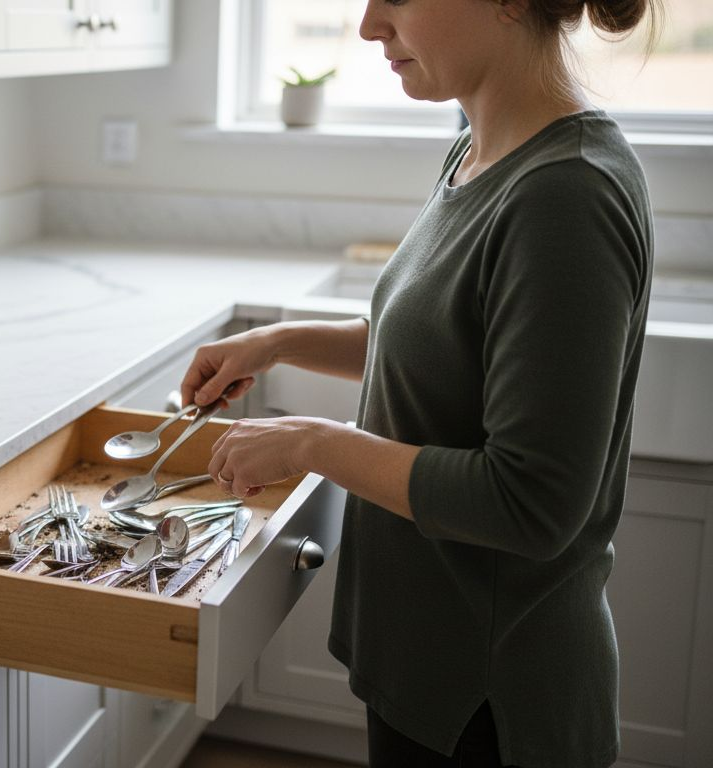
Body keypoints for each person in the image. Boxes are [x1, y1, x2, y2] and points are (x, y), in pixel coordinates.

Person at [180, 1, 660, 766]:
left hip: (494, 699)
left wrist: (313, 441)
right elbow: (445, 348)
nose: (371, 25)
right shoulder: (479, 151)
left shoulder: (566, 196)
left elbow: (530, 501)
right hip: (430, 663)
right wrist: (277, 343)